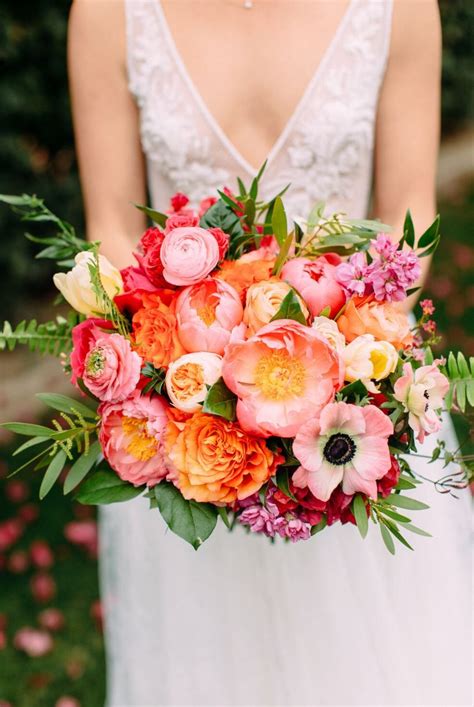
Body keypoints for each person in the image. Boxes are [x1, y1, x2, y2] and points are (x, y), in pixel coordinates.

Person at [68, 1, 472, 705]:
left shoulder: (398, 7)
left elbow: (412, 215)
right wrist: (168, 383)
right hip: (185, 428)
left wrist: (348, 371)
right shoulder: (109, 12)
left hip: (353, 417)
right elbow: (110, 226)